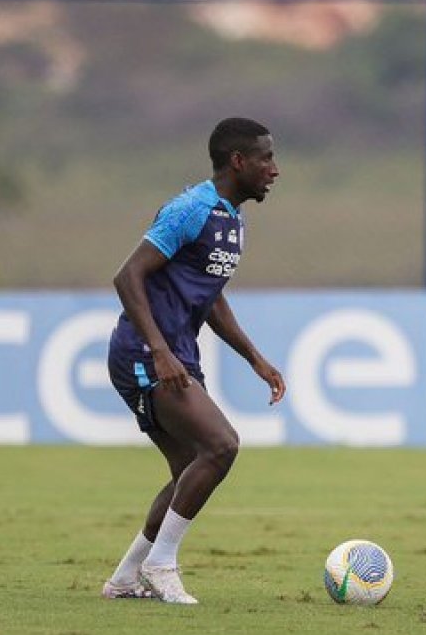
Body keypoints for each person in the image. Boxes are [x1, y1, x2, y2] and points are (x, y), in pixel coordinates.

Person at [102, 116, 287, 605]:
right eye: (267, 158)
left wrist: (254, 358)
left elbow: (211, 298)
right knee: (222, 445)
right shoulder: (192, 208)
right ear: (238, 161)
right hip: (146, 352)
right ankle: (162, 565)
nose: (275, 169)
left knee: (189, 466)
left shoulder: (232, 220)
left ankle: (124, 578)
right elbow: (128, 276)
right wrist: (160, 351)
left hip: (177, 352)